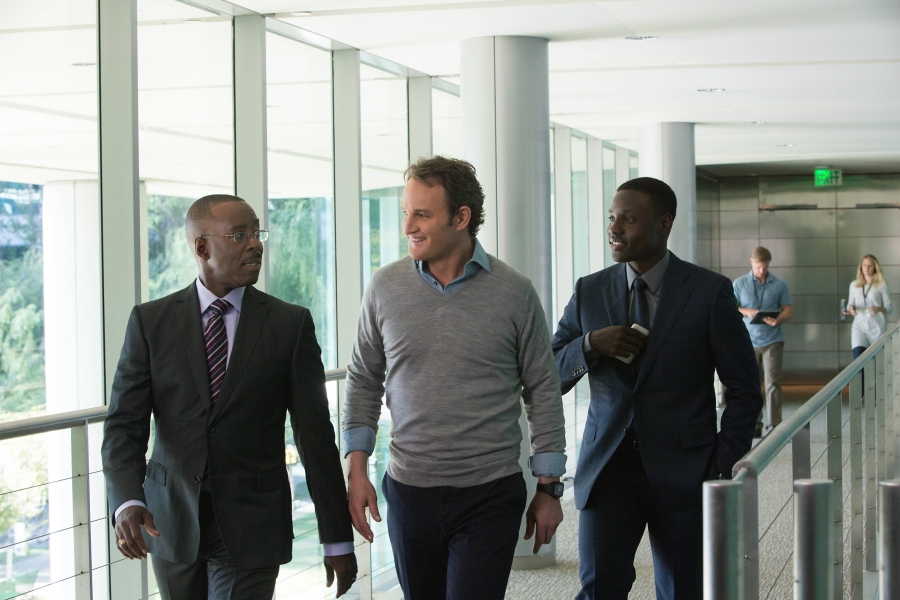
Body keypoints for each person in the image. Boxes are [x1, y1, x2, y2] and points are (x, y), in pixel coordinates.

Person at [101, 195, 357, 599]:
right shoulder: (151, 323)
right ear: (202, 247)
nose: (255, 244)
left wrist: (337, 537)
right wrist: (127, 500)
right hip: (170, 523)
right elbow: (124, 425)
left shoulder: (289, 325)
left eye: (257, 233)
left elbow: (314, 436)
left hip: (253, 526)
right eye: (240, 235)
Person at [342, 156, 567, 600]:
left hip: (489, 493)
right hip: (409, 492)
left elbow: (543, 388)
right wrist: (356, 470)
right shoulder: (384, 287)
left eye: (422, 214)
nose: (408, 226)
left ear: (461, 217)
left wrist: (550, 488)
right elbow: (364, 379)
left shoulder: (515, 292)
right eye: (405, 212)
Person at [552, 177, 761, 600]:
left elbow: (744, 387)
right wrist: (590, 345)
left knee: (683, 590)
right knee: (599, 589)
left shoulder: (708, 291)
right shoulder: (590, 289)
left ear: (664, 224)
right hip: (607, 469)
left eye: (628, 219)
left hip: (687, 469)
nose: (614, 229)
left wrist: (721, 461)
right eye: (612, 218)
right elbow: (548, 374)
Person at [733, 246, 793, 437]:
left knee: (772, 383)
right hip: (747, 341)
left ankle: (774, 426)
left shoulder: (780, 284)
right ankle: (755, 424)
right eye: (759, 267)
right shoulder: (739, 284)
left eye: (765, 267)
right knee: (752, 384)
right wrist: (747, 311)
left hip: (772, 340)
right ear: (751, 262)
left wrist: (778, 319)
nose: (762, 271)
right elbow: (731, 307)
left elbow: (788, 310)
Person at [846, 254, 892, 358]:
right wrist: (851, 309)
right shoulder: (854, 285)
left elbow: (889, 308)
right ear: (861, 267)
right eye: (864, 265)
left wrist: (878, 309)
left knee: (877, 359)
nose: (866, 268)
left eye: (870, 265)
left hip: (877, 327)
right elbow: (850, 304)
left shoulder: (882, 285)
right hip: (859, 326)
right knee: (858, 357)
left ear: (875, 267)